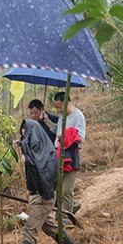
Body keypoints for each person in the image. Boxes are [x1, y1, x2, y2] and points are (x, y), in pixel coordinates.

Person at [8, 112, 77, 244]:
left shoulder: (45, 155)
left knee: (30, 229)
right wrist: (23, 146)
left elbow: (40, 165)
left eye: (25, 132)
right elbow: (34, 153)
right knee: (50, 227)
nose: (24, 135)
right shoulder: (39, 149)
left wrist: (27, 159)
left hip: (42, 198)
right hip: (37, 197)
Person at [51, 90, 86, 220]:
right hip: (59, 154)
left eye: (60, 107)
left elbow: (80, 137)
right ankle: (72, 206)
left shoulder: (78, 116)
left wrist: (65, 135)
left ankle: (64, 218)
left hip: (72, 155)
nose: (59, 110)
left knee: (66, 190)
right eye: (57, 108)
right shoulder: (62, 117)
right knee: (59, 188)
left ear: (68, 103)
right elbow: (57, 134)